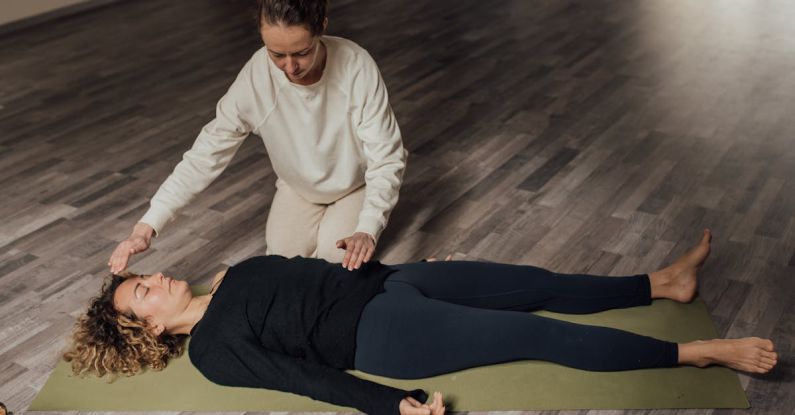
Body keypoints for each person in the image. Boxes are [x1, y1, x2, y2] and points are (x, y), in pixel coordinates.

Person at [68, 230, 778, 415]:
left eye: (144, 279)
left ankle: (661, 280)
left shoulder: (231, 274)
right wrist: (390, 403)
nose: (155, 282)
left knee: (532, 283)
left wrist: (392, 261)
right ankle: (695, 353)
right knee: (537, 333)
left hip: (393, 281)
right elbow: (307, 378)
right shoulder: (212, 351)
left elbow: (314, 273)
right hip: (383, 336)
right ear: (150, 330)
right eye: (143, 297)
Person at [108, 0, 407, 274]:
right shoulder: (255, 77)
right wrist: (148, 225)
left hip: (355, 187)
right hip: (297, 189)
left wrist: (368, 226)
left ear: (322, 27)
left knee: (336, 264)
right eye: (277, 54)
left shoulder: (356, 65)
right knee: (279, 265)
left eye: (302, 52)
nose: (290, 67)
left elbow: (387, 156)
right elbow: (206, 154)